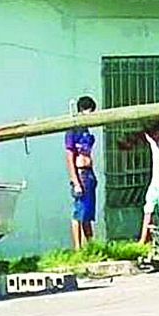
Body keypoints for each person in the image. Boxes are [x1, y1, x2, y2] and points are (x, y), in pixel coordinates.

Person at [65, 95, 97, 250]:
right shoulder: (72, 131)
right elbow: (69, 157)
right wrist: (75, 181)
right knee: (79, 211)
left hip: (89, 173)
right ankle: (78, 248)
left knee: (88, 213)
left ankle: (91, 246)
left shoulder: (86, 130)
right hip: (80, 173)